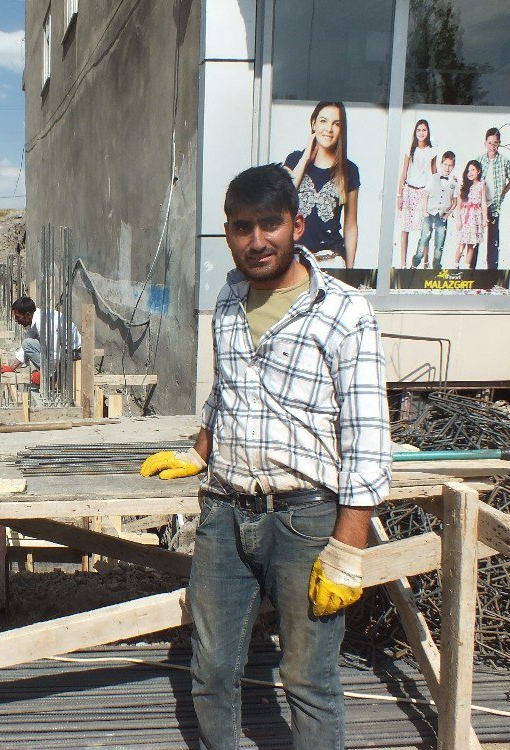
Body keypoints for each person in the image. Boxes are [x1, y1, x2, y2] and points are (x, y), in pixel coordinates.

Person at [141, 165, 391, 750]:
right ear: (228, 233)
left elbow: (367, 436)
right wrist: (198, 453)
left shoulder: (345, 312)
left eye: (270, 225)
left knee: (308, 679)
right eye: (242, 227)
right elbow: (226, 391)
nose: (257, 241)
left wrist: (348, 550)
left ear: (296, 224)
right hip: (226, 513)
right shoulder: (228, 301)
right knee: (213, 672)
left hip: (304, 519)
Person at [283, 101, 359, 269]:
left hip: (331, 258)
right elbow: (281, 197)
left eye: (336, 124)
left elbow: (351, 224)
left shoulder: (350, 170)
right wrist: (305, 159)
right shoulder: (294, 160)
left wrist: (350, 271)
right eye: (323, 121)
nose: (329, 129)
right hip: (295, 258)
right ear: (313, 123)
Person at [0, 296, 82, 379]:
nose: (16, 320)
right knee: (28, 343)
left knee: (29, 344)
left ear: (28, 315)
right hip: (62, 351)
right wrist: (12, 367)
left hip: (72, 354)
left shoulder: (43, 323)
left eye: (18, 317)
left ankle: (52, 377)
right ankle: (48, 373)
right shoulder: (35, 318)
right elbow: (25, 346)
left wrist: (47, 375)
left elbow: (55, 353)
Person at [397, 119, 437, 267]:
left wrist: (438, 192)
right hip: (408, 191)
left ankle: (425, 263)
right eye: (419, 130)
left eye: (424, 130)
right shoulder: (410, 149)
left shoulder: (432, 151)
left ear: (428, 132)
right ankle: (403, 263)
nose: (421, 133)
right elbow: (404, 173)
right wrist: (399, 196)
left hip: (423, 194)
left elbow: (434, 173)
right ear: (415, 132)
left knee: (424, 229)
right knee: (405, 228)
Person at [412, 150, 458, 270]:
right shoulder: (433, 178)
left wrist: (447, 215)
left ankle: (436, 266)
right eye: (445, 165)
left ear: (453, 166)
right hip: (429, 213)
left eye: (450, 165)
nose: (447, 168)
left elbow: (455, 202)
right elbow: (425, 194)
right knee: (424, 239)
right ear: (441, 164)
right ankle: (415, 263)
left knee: (439, 243)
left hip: (442, 216)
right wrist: (424, 210)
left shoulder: (454, 183)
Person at [477, 127, 510, 271]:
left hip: (494, 206)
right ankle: (471, 269)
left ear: (499, 143)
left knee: (493, 239)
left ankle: (491, 271)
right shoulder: (479, 160)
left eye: (496, 143)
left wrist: (503, 193)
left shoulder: (504, 161)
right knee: (474, 238)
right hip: (480, 206)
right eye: (490, 142)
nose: (493, 146)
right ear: (485, 143)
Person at [454, 160, 488, 270]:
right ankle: (455, 266)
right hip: (465, 218)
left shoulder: (481, 184)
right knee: (461, 243)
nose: (470, 172)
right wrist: (458, 220)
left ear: (478, 171)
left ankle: (466, 269)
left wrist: (484, 219)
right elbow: (459, 205)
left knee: (471, 244)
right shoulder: (463, 185)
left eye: (473, 170)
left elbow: (483, 203)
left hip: (476, 218)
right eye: (468, 170)